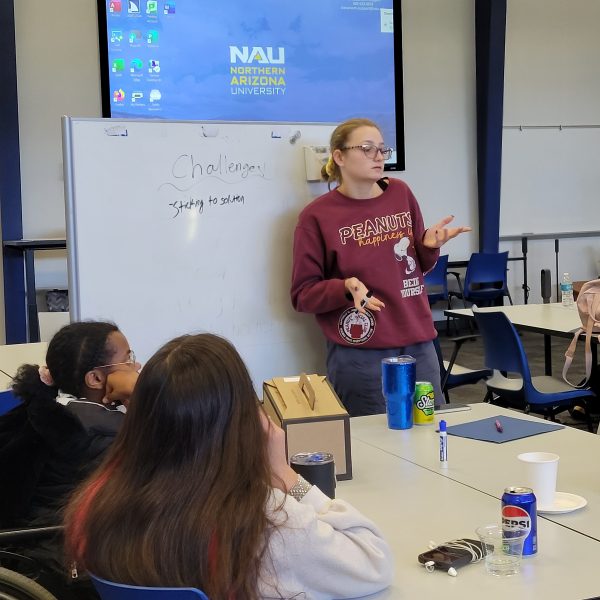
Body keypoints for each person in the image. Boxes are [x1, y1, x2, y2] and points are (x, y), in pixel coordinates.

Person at [64, 333, 393, 600]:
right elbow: (372, 562)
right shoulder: (263, 518)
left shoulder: (99, 501)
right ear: (241, 419)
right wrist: (287, 477)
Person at [291, 118, 471, 416]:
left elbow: (416, 267)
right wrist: (345, 287)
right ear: (339, 156)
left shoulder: (400, 193)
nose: (378, 156)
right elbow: (302, 294)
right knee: (374, 444)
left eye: (382, 149)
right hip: (361, 354)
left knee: (428, 431)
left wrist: (429, 246)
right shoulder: (317, 217)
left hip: (419, 343)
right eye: (367, 148)